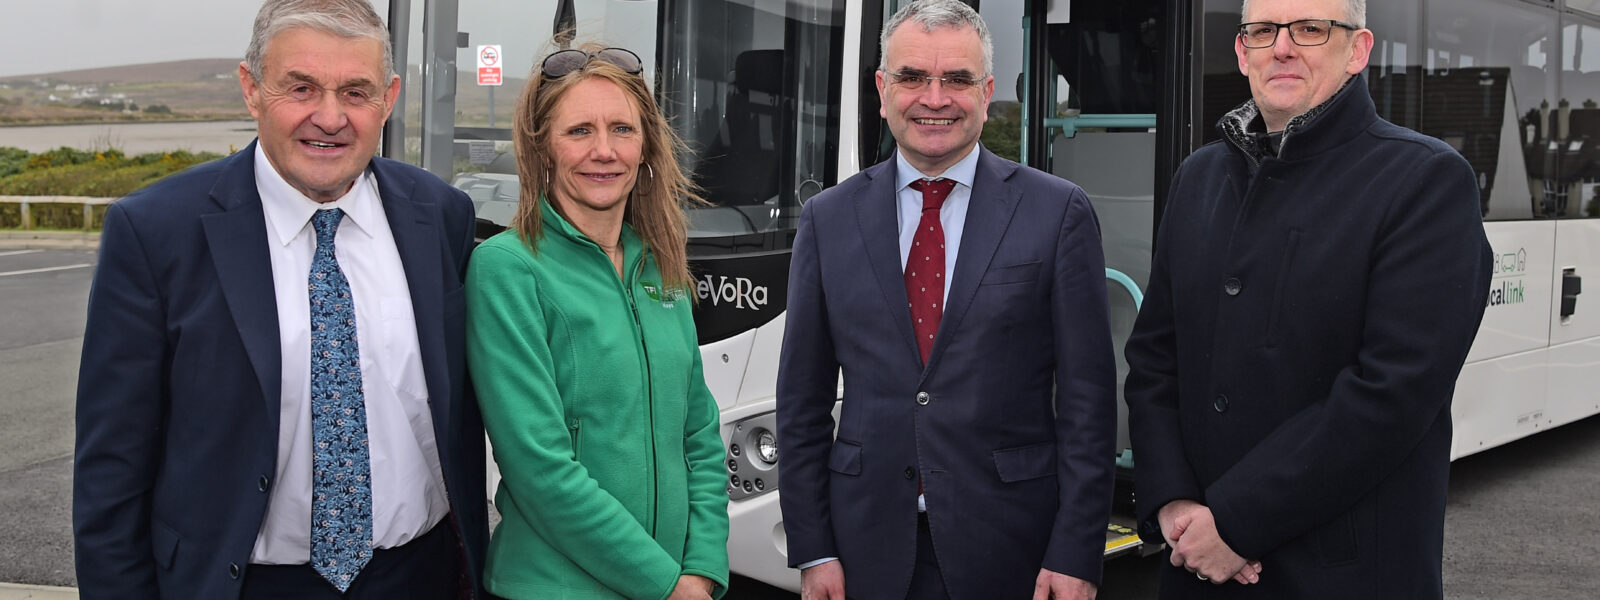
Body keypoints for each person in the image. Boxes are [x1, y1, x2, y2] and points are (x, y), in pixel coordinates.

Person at [72, 0, 487, 598]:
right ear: (251, 89)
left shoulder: (440, 215)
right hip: (243, 583)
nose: (330, 116)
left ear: (389, 99)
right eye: (301, 87)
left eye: (356, 92)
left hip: (420, 576)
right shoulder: (157, 232)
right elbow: (112, 469)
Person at [1123, 0, 1492, 596]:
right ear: (1242, 53)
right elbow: (1155, 361)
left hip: (1340, 573)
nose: (1283, 48)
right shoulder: (1198, 177)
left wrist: (1237, 523)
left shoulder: (1425, 181)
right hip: (1193, 565)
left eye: (1311, 29)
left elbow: (1390, 395)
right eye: (1263, 31)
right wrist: (1173, 501)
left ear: (1358, 51)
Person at [775, 1, 1119, 598]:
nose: (934, 98)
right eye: (912, 77)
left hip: (1013, 547)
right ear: (882, 89)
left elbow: (1089, 405)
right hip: (864, 550)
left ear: (986, 92)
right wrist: (813, 547)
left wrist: (1076, 550)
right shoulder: (827, 220)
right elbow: (801, 405)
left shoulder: (1057, 212)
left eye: (957, 79)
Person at [464, 45, 730, 600]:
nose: (604, 152)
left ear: (646, 147)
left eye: (622, 130)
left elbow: (699, 436)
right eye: (579, 131)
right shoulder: (508, 270)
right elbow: (541, 470)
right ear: (542, 151)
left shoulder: (660, 264)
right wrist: (667, 585)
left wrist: (702, 567)